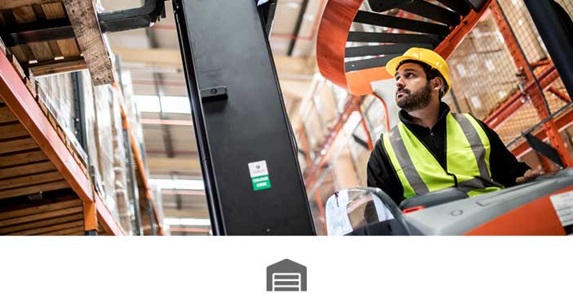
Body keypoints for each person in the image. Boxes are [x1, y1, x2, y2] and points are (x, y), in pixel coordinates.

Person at [366, 47, 543, 206]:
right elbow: (381, 212)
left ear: (436, 84)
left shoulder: (472, 126)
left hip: (491, 220)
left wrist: (524, 176)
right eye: (397, 77)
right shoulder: (386, 148)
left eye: (409, 75)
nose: (398, 82)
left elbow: (510, 172)